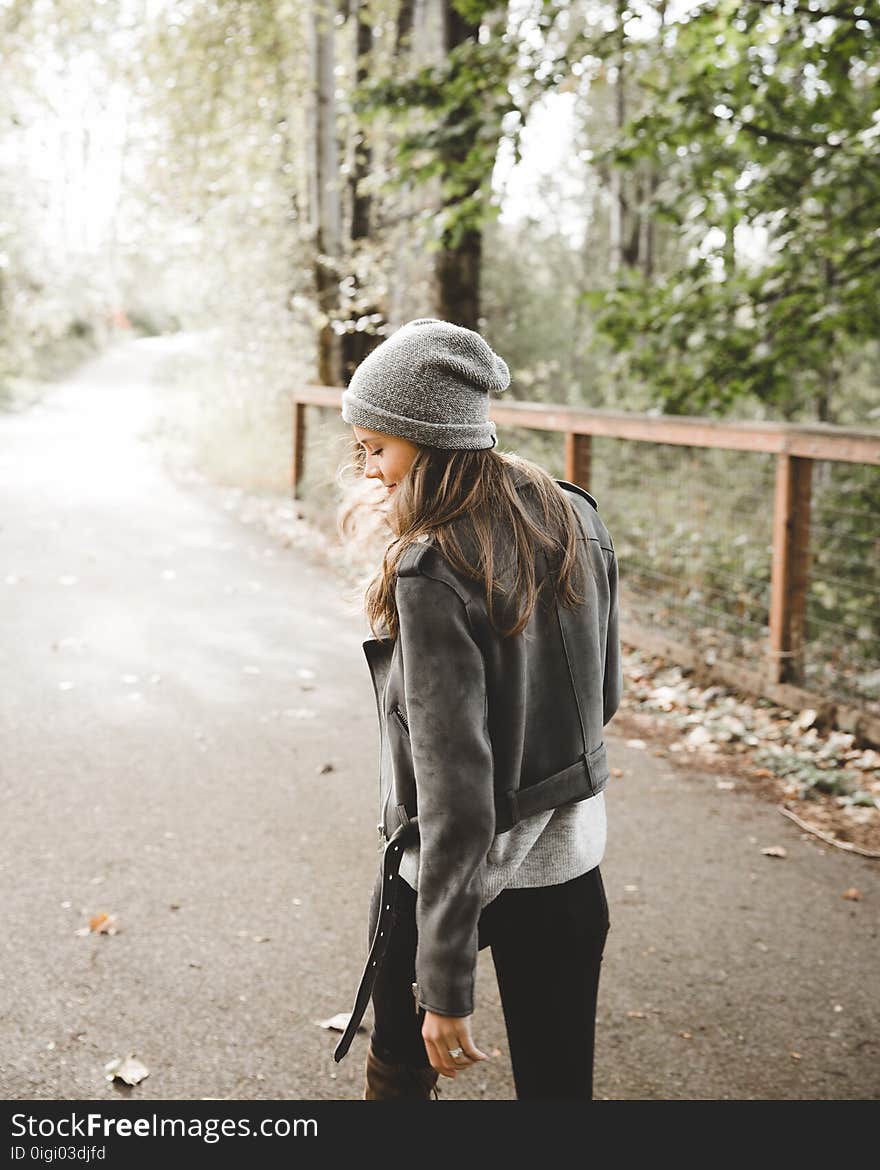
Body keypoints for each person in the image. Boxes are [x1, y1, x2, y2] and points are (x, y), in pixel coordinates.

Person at [332, 318, 622, 1101]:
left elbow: (456, 800)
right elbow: (605, 699)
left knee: (399, 1082)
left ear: (427, 439)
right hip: (568, 872)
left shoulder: (431, 568)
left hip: (439, 878)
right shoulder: (576, 515)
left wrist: (446, 979)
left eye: (379, 448)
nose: (370, 469)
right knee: (559, 1093)